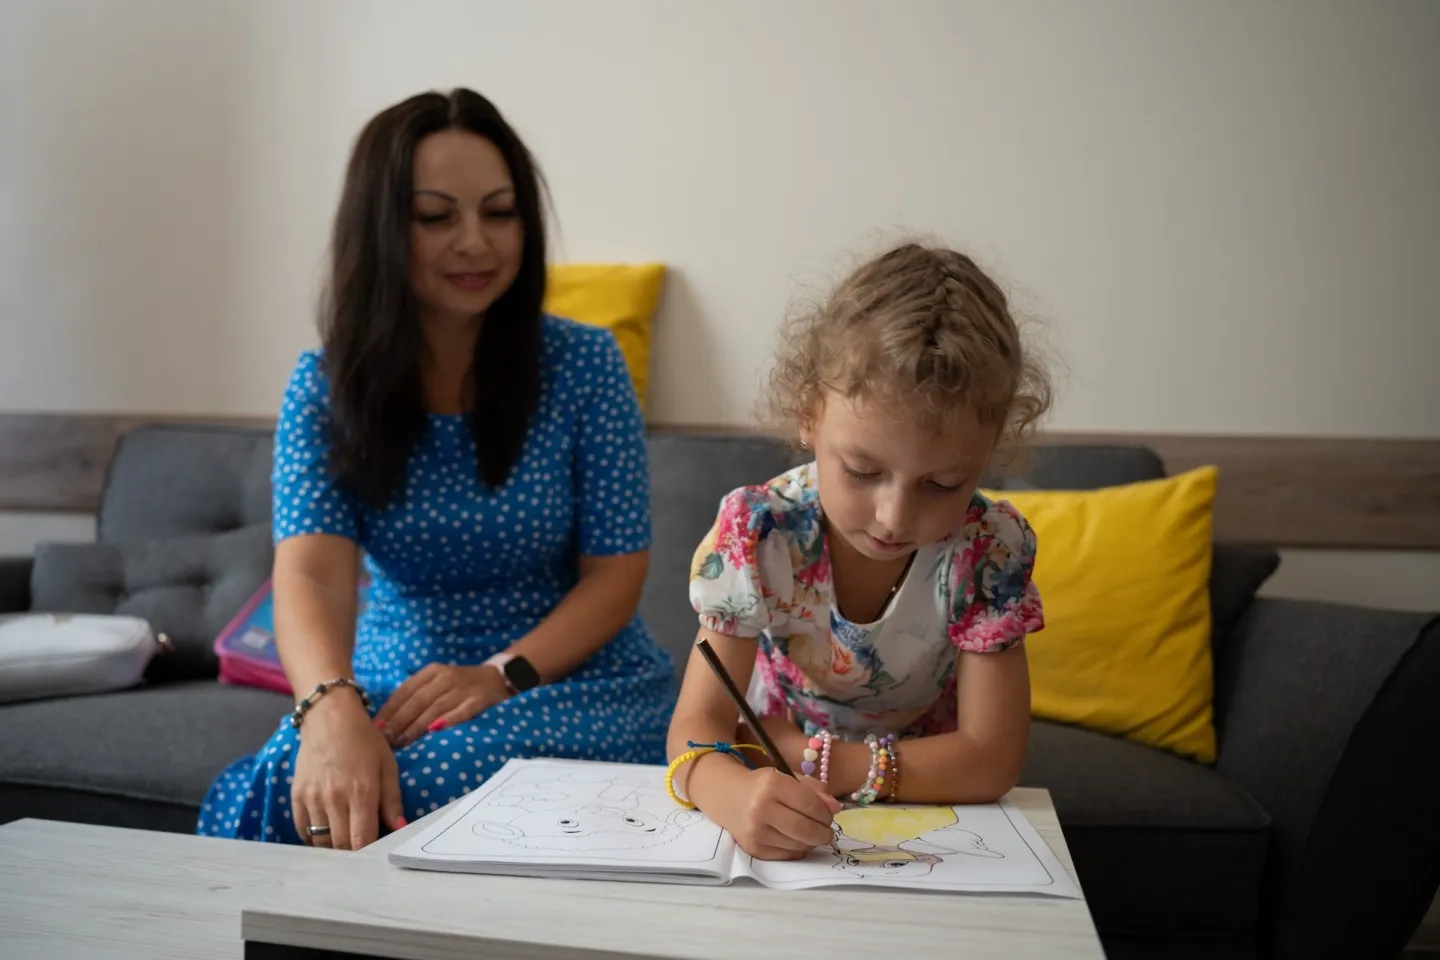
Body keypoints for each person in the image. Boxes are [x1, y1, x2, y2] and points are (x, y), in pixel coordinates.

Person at [198, 88, 675, 850]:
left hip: (566, 682)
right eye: (436, 217)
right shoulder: (325, 387)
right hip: (401, 684)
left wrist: (500, 674)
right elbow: (312, 574)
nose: (475, 243)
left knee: (414, 789)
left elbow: (615, 579)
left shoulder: (587, 364)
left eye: (500, 212)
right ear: (382, 228)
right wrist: (329, 709)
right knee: (293, 779)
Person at [665, 241, 1053, 861]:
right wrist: (731, 794)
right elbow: (695, 728)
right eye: (863, 471)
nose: (895, 517)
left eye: (943, 484)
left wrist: (819, 759)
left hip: (928, 804)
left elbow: (989, 760)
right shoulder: (759, 532)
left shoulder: (987, 550)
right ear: (808, 413)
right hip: (777, 786)